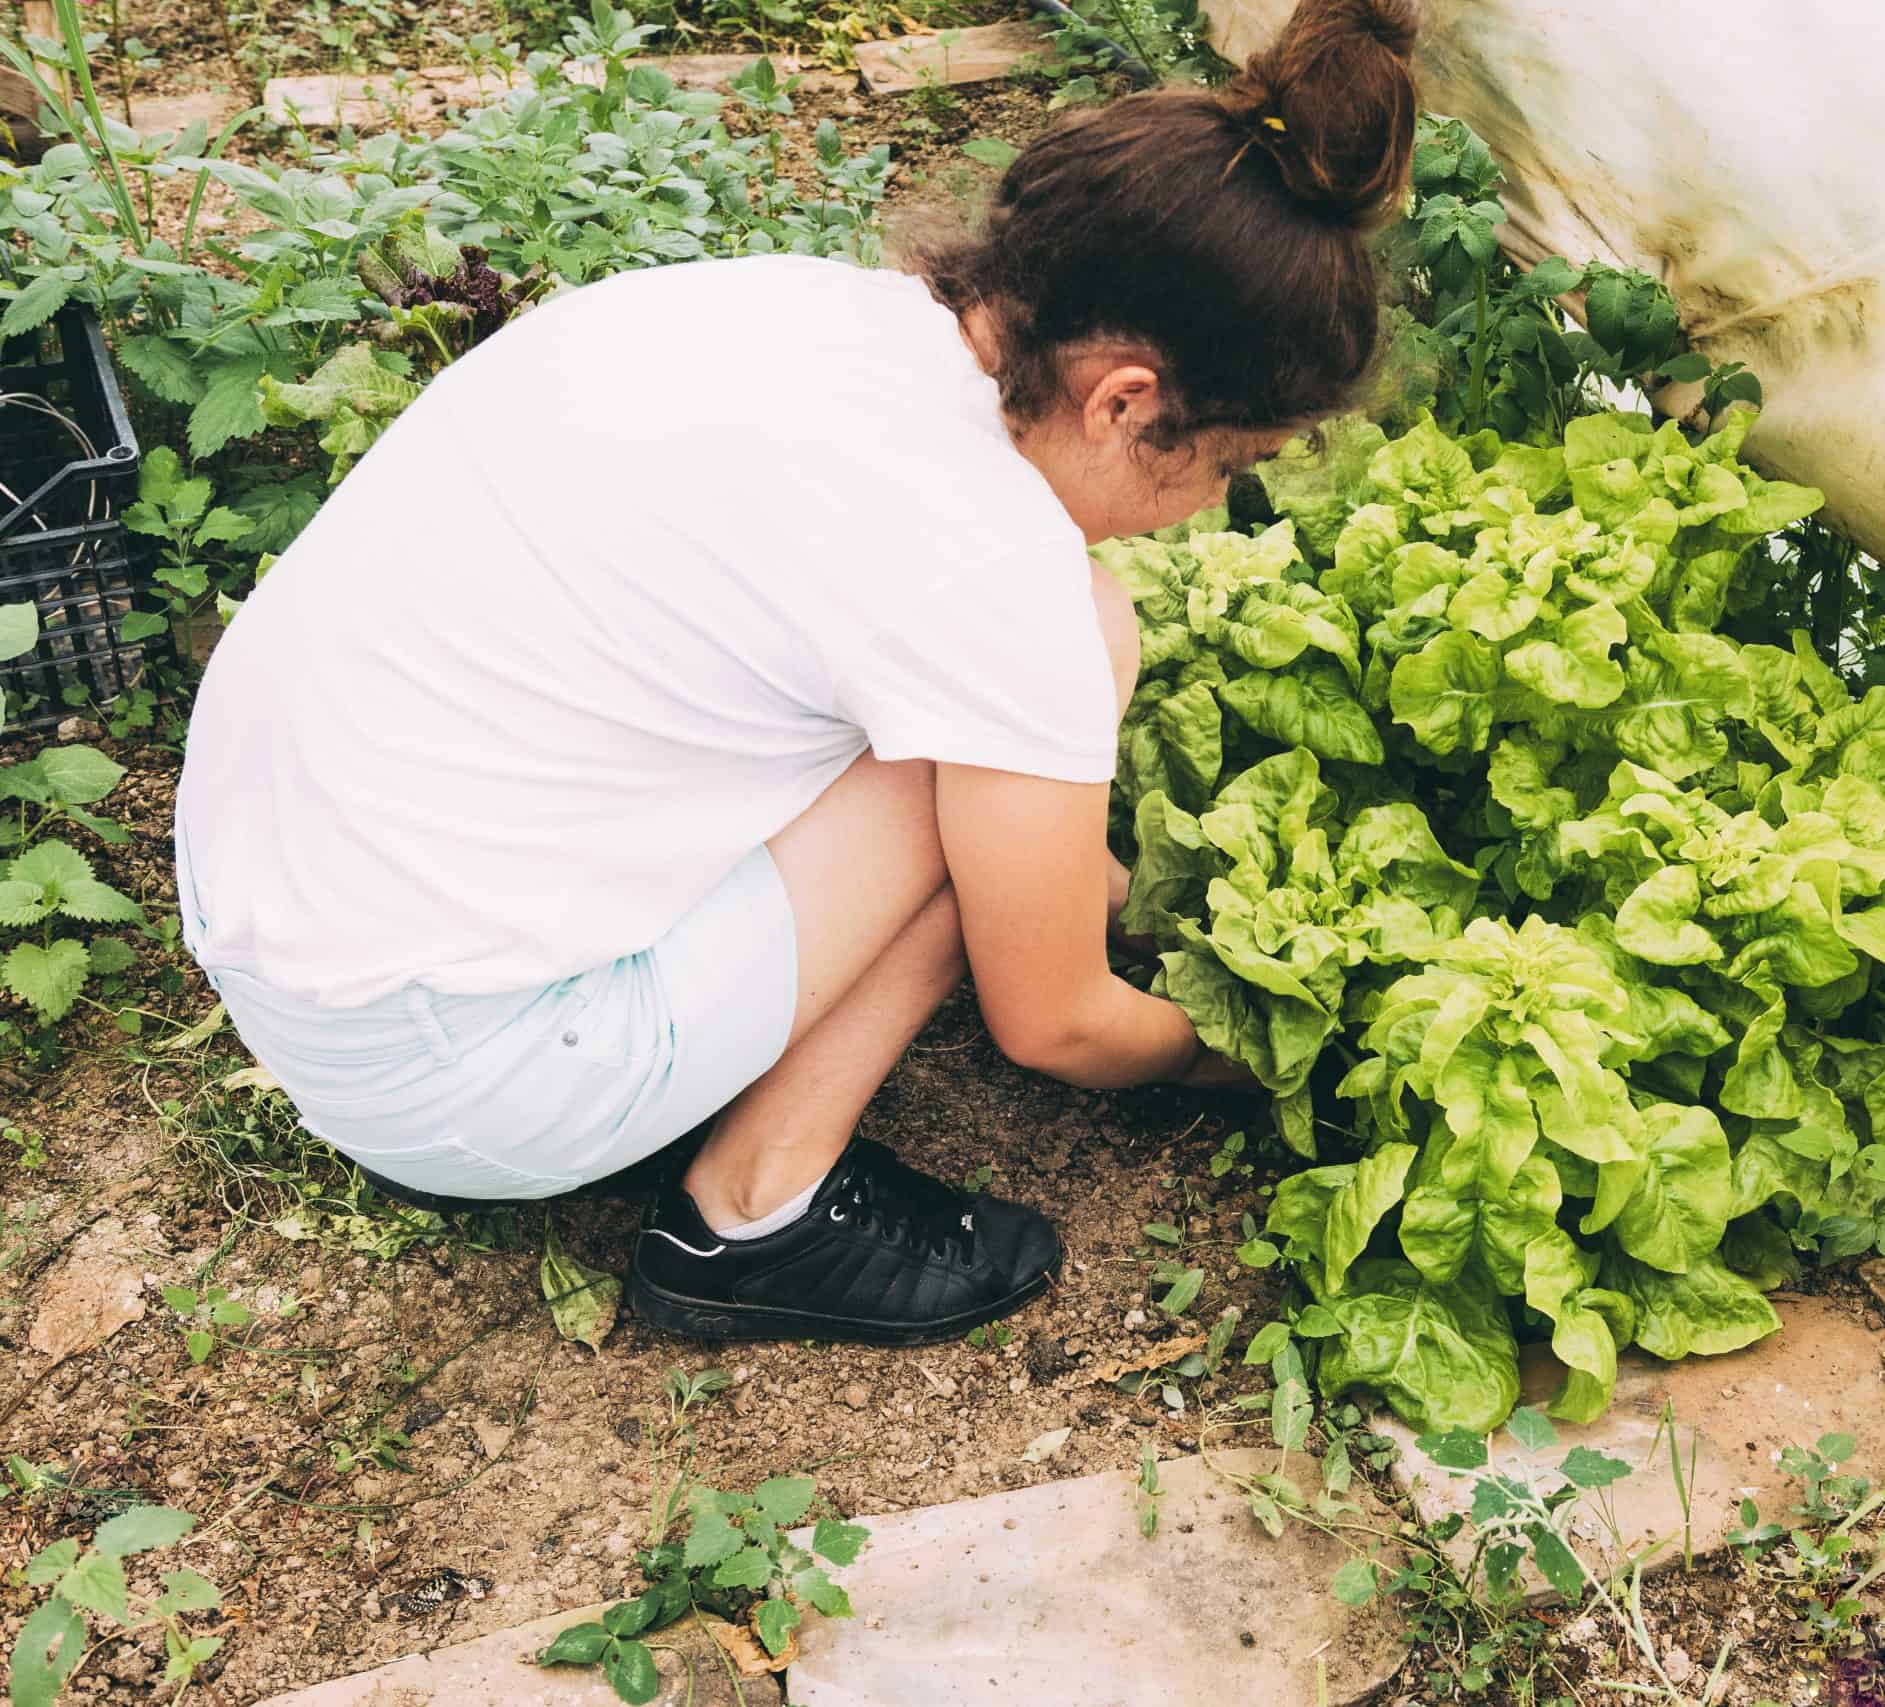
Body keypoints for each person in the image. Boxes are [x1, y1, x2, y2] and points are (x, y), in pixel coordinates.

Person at [170, 0, 1421, 1347]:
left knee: (1022, 723)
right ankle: (757, 1211)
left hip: (284, 931)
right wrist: (1244, 1051)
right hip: (466, 1079)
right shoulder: (991, 577)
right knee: (1066, 664)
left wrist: (1089, 883)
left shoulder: (806, 314)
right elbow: (1056, 1025)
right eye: (1226, 464)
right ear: (1121, 401)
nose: (1212, 508)